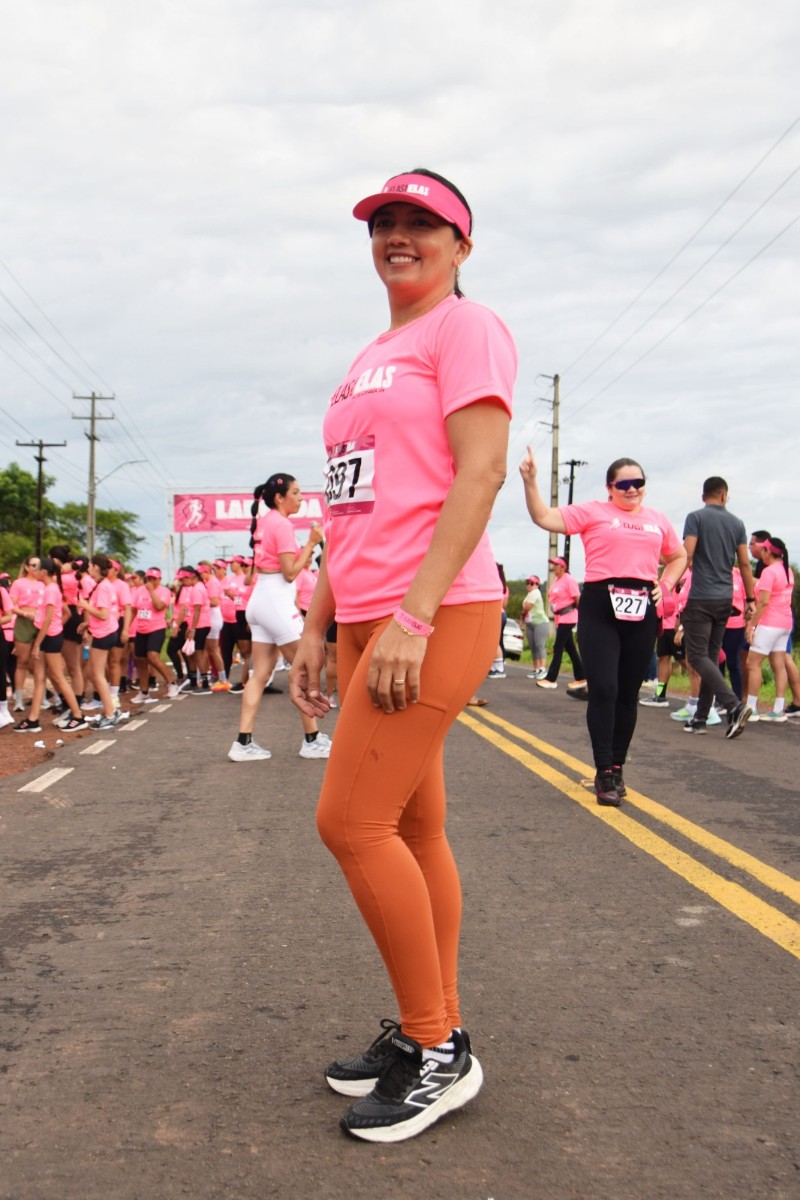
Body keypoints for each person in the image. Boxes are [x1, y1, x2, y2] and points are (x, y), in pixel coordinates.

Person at [289, 168, 515, 1142]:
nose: (399, 235)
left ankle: (434, 1051)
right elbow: (351, 509)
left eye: (422, 222)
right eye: (385, 221)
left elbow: (483, 471)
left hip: (433, 610)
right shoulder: (367, 359)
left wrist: (414, 618)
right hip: (362, 614)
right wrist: (316, 625)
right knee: (415, 826)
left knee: (349, 821)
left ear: (461, 244)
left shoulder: (466, 328)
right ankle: (437, 1027)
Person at [521, 449, 686, 804]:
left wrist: (666, 584)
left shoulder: (658, 519)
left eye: (638, 482)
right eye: (623, 484)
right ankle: (603, 771)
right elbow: (543, 516)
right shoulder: (593, 511)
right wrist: (531, 481)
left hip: (642, 607)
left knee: (628, 693)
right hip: (600, 605)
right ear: (609, 488)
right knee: (605, 689)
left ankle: (617, 766)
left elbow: (678, 556)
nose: (632, 489)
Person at [227, 473, 327, 762]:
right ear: (279, 497)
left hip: (262, 600)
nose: (301, 498)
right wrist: (311, 543)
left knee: (259, 675)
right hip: (274, 601)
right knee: (304, 668)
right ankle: (312, 740)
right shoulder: (281, 524)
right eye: (296, 492)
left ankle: (243, 742)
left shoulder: (265, 521)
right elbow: (291, 572)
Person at [679, 477, 755, 736]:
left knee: (696, 656)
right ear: (724, 496)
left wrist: (670, 582)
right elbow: (744, 564)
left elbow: (687, 554)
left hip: (701, 597)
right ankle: (700, 718)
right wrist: (750, 599)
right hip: (725, 600)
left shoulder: (695, 518)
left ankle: (733, 705)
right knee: (710, 658)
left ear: (704, 496)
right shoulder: (737, 523)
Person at [13, 558, 88, 733]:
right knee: (39, 678)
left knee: (58, 677)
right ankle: (33, 719)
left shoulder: (51, 590)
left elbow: (47, 620)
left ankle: (78, 716)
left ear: (44, 572)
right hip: (47, 636)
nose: (35, 572)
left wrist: (37, 644)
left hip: (50, 637)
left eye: (38, 569)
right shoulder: (49, 588)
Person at [744, 537, 794, 722]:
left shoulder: (769, 572)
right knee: (778, 665)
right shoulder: (787, 570)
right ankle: (778, 710)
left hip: (769, 623)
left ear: (769, 552)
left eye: (763, 550)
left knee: (752, 663)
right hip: (785, 623)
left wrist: (752, 625)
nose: (761, 553)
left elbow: (763, 602)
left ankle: (751, 708)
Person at [77, 554, 121, 730]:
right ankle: (111, 709)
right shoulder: (103, 585)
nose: (88, 569)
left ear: (95, 567)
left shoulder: (102, 587)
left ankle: (110, 714)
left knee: (97, 675)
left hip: (104, 633)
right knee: (94, 672)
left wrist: (85, 606)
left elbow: (103, 614)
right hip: (106, 630)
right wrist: (87, 623)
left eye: (89, 566)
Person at [535, 557, 585, 690]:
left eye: (556, 565)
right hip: (560, 618)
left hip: (569, 617)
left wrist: (582, 615)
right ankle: (581, 677)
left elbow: (577, 598)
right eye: (553, 565)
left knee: (558, 647)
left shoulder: (569, 580)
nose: (553, 567)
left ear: (563, 566)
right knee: (570, 648)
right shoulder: (557, 580)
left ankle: (551, 678)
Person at [522, 575, 549, 679]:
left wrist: (522, 613)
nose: (529, 585)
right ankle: (536, 668)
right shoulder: (529, 594)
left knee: (539, 645)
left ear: (537, 585)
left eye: (531, 583)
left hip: (540, 623)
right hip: (530, 623)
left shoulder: (535, 592)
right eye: (527, 583)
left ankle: (542, 668)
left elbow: (527, 607)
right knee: (533, 646)